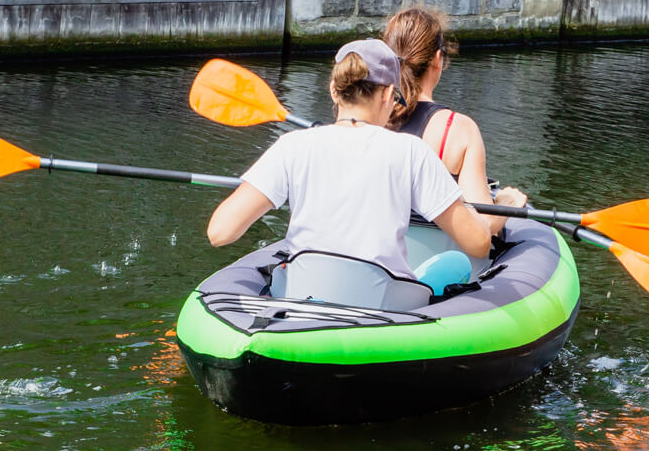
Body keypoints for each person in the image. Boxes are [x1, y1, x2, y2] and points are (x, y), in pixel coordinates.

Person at [207, 38, 491, 293]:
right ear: (387, 93)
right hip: (383, 311)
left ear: (333, 90)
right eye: (395, 100)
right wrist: (501, 205)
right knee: (455, 262)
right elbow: (478, 243)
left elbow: (220, 232)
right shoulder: (411, 153)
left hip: (302, 299)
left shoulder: (292, 146)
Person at [383, 5, 527, 235]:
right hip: (438, 264)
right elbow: (485, 225)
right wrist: (507, 204)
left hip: (372, 258)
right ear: (437, 59)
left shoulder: (367, 116)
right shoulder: (458, 129)